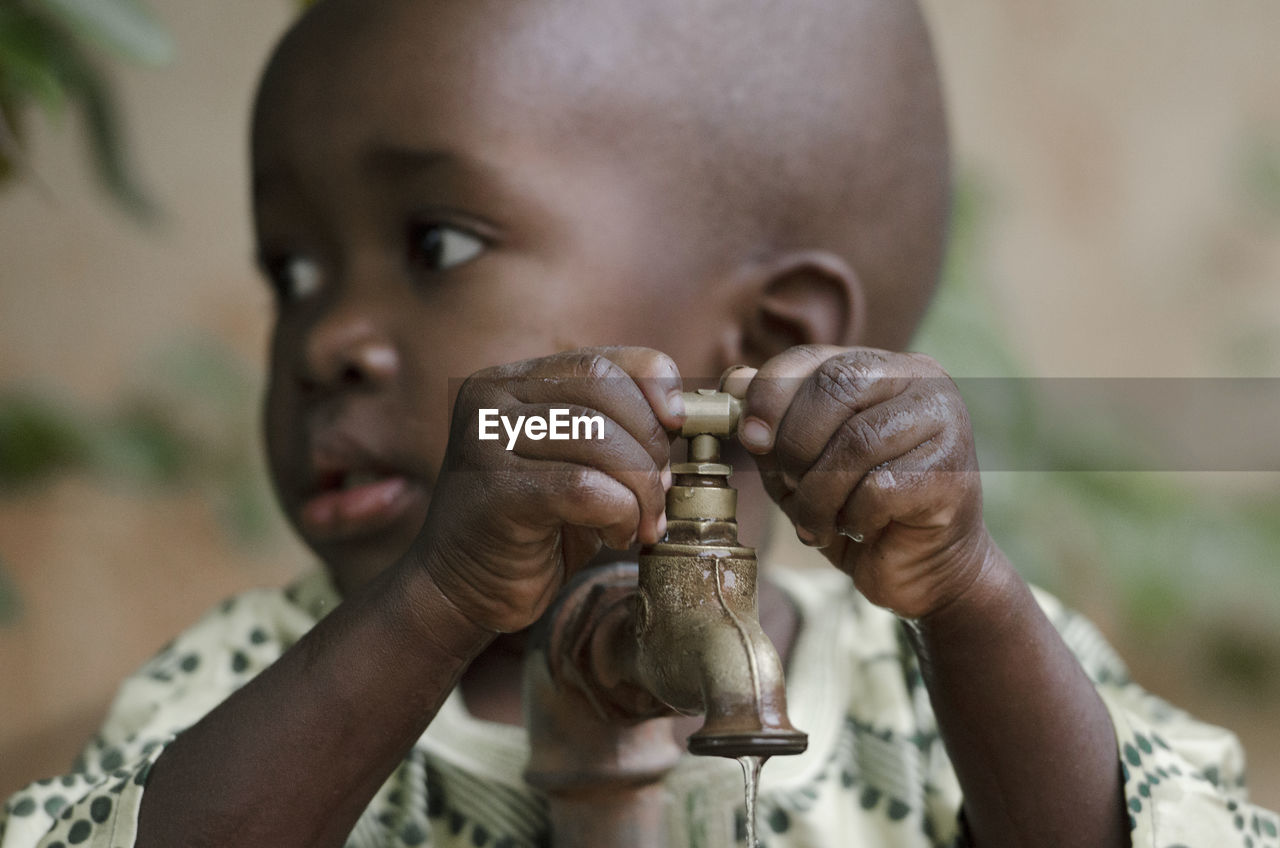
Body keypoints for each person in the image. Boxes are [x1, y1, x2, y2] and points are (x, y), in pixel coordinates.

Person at [3, 0, 1275, 845]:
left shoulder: (940, 671)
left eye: (434, 241)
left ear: (766, 345)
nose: (326, 335)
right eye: (291, 266)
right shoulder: (250, 683)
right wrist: (437, 599)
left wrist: (973, 598)